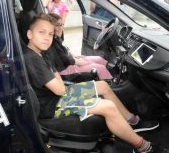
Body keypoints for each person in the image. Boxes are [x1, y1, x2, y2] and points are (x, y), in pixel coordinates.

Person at [23, 13, 163, 153]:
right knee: (108, 107)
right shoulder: (33, 59)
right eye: (42, 32)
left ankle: (131, 121)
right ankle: (143, 147)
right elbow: (59, 90)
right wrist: (59, 81)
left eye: (50, 34)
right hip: (52, 105)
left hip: (57, 95)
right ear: (29, 34)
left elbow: (56, 79)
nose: (47, 38)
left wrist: (59, 80)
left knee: (103, 86)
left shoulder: (40, 53)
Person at [47, 13, 112, 80]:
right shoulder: (52, 42)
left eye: (61, 25)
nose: (61, 28)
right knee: (100, 68)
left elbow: (65, 49)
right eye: (57, 25)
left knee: (98, 59)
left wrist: (76, 57)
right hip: (65, 69)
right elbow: (66, 60)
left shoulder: (57, 37)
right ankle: (109, 83)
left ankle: (109, 75)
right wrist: (82, 62)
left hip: (71, 61)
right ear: (50, 26)